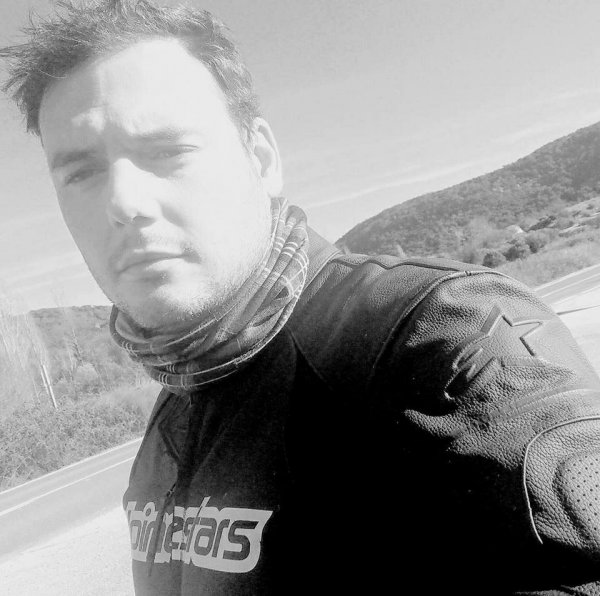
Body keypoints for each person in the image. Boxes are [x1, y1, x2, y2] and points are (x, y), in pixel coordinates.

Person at [3, 1, 600, 594]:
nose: (122, 202)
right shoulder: (178, 401)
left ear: (261, 158)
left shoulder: (440, 336)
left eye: (166, 150)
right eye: (80, 173)